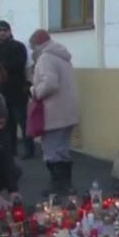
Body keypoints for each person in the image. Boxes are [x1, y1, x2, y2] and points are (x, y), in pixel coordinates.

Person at [29, 29, 80, 196]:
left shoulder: (46, 57)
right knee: (63, 149)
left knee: (52, 150)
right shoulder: (62, 56)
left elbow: (50, 83)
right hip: (67, 111)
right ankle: (67, 185)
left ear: (36, 44)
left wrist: (35, 91)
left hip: (53, 111)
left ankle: (58, 186)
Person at [0, 20, 35, 159]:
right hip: (1, 90)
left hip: (17, 90)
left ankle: (29, 150)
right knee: (7, 124)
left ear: (9, 32)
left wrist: (0, 66)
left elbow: (18, 64)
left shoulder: (18, 46)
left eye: (5, 30)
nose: (2, 33)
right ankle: (11, 149)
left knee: (23, 122)